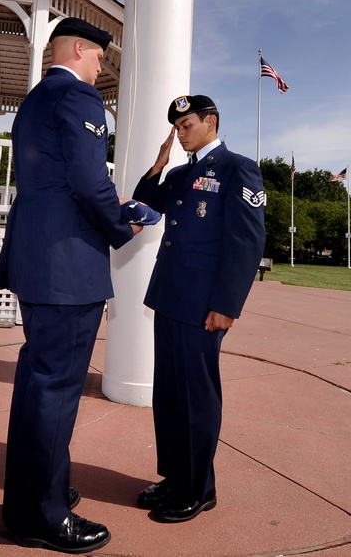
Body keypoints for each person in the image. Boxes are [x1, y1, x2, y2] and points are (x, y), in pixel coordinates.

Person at [0, 17, 142, 553]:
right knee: (56, 390)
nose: (101, 64)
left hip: (35, 257)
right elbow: (86, 180)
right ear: (79, 48)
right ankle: (42, 515)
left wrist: (108, 202)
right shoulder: (80, 99)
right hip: (66, 265)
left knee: (37, 382)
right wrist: (123, 221)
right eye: (99, 55)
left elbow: (56, 180)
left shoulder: (33, 101)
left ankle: (34, 492)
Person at [131, 94, 266, 523]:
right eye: (176, 126)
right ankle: (174, 477)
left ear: (210, 121)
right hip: (170, 296)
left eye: (186, 124)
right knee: (169, 394)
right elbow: (146, 203)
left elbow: (247, 242)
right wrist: (158, 164)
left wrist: (227, 305)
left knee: (196, 397)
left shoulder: (236, 168)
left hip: (204, 305)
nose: (180, 132)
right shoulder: (182, 173)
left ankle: (198, 489)